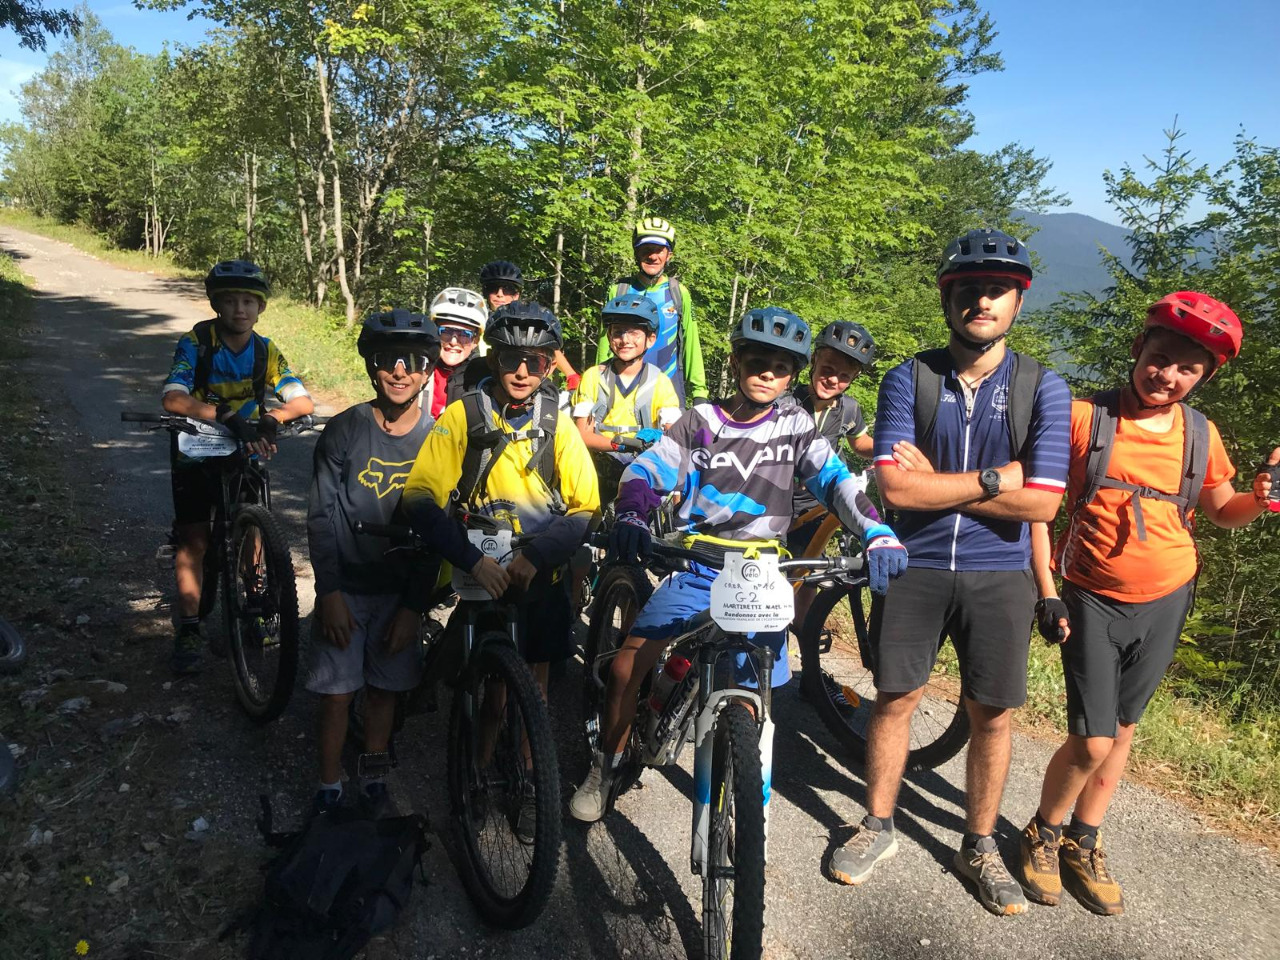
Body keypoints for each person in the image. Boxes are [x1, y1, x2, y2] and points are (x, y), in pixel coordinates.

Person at [569, 306, 908, 823]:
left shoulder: (796, 426)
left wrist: (877, 531)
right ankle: (605, 766)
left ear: (793, 376)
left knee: (753, 699)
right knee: (624, 669)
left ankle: (745, 803)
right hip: (699, 564)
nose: (767, 373)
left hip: (762, 576)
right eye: (756, 362)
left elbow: (836, 480)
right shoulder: (700, 421)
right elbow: (647, 468)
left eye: (781, 366)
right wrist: (634, 511)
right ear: (735, 362)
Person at [825, 229, 1072, 917]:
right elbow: (896, 490)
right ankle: (878, 824)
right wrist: (997, 478)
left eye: (997, 290)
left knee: (991, 714)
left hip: (1002, 573)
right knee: (895, 697)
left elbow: (1044, 503)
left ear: (1017, 302)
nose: (981, 301)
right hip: (917, 563)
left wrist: (940, 483)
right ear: (948, 299)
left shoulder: (1043, 387)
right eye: (968, 289)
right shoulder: (910, 378)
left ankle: (979, 844)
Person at [1019, 291, 1277, 916]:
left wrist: (1264, 497)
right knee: (1092, 740)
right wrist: (1047, 592)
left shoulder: (1199, 433)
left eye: (1188, 369)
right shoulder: (1085, 418)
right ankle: (1042, 832)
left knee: (1124, 731)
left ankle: (1084, 840)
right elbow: (1038, 508)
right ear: (1138, 350)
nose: (1168, 375)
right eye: (1159, 358)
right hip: (1091, 596)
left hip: (1168, 596)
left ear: (1204, 376)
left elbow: (1223, 511)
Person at [305, 309, 442, 815]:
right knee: (337, 695)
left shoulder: (436, 439)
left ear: (428, 371)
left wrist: (413, 607)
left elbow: (438, 532)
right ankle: (327, 787)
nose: (400, 371)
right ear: (372, 366)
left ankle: (374, 776)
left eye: (413, 361)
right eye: (389, 359)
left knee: (385, 692)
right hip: (347, 584)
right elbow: (321, 516)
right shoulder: (344, 430)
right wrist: (329, 592)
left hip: (398, 591)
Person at [161, 260, 314, 674]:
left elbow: (302, 401)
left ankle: (257, 603)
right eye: (230, 301)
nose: (240, 309)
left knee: (252, 531)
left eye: (248, 301)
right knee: (194, 540)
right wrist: (221, 414)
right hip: (196, 450)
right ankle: (189, 627)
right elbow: (173, 398)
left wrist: (273, 418)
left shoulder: (265, 351)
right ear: (216, 304)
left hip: (244, 450)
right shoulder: (197, 342)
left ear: (260, 308)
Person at [787, 321, 877, 630]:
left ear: (853, 379)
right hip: (779, 502)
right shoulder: (787, 401)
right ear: (813, 361)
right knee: (776, 571)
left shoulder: (849, 409)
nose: (833, 379)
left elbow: (859, 443)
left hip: (816, 506)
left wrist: (889, 449)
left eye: (844, 376)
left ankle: (801, 633)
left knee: (808, 575)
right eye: (827, 369)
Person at [571, 294, 682, 504]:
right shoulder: (594, 377)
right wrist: (621, 445)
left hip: (642, 467)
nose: (625, 340)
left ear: (650, 339)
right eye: (618, 332)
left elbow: (675, 439)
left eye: (634, 333)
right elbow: (582, 435)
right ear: (609, 336)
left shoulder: (660, 382)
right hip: (597, 466)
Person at [594, 217, 707, 404]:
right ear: (636, 253)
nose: (652, 256)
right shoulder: (619, 290)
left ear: (669, 255)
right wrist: (598, 380)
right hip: (622, 388)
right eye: (646, 249)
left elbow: (691, 342)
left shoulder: (679, 293)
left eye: (659, 250)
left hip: (669, 390)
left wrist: (699, 393)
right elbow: (605, 340)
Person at [479, 259, 580, 390]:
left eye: (508, 289)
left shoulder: (524, 319)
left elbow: (547, 344)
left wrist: (571, 375)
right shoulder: (476, 319)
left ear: (516, 295)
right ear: (486, 293)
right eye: (493, 288)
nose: (500, 294)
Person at [425, 287, 487, 419]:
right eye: (446, 332)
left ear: (475, 341)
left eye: (464, 334)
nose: (453, 342)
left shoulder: (484, 380)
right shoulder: (416, 369)